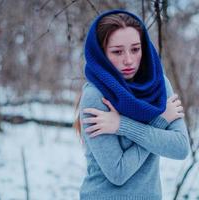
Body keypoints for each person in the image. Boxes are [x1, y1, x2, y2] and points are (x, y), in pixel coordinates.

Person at [73, 9, 190, 200]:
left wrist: (122, 126)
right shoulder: (95, 96)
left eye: (135, 49)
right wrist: (160, 121)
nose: (128, 60)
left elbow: (181, 148)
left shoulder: (159, 86)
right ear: (102, 54)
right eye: (117, 51)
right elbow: (118, 173)